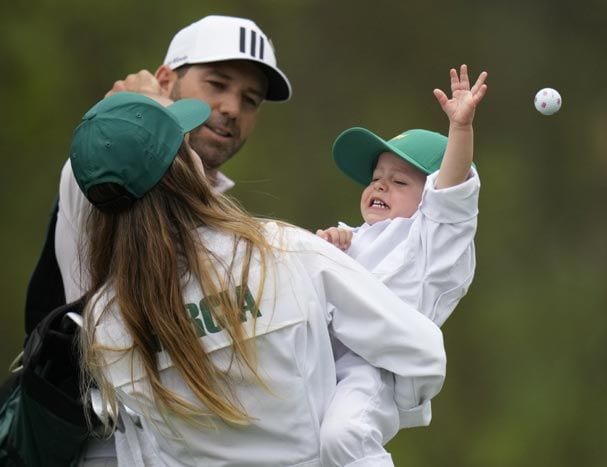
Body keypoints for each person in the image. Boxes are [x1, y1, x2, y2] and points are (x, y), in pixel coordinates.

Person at [72, 91, 446, 466]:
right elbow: (423, 353)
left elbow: (140, 455)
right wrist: (364, 408)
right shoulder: (280, 250)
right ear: (185, 170)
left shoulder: (102, 323)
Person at [41, 14, 292, 466]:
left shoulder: (222, 211)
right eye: (217, 84)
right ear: (165, 80)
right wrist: (141, 110)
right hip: (103, 446)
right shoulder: (108, 170)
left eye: (249, 99)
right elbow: (117, 139)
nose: (232, 108)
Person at [315, 65, 487, 466]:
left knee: (345, 437)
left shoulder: (432, 239)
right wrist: (328, 245)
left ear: (430, 195)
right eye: (376, 178)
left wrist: (460, 130)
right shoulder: (356, 236)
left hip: (375, 367)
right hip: (319, 359)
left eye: (399, 181)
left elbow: (452, 192)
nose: (379, 186)